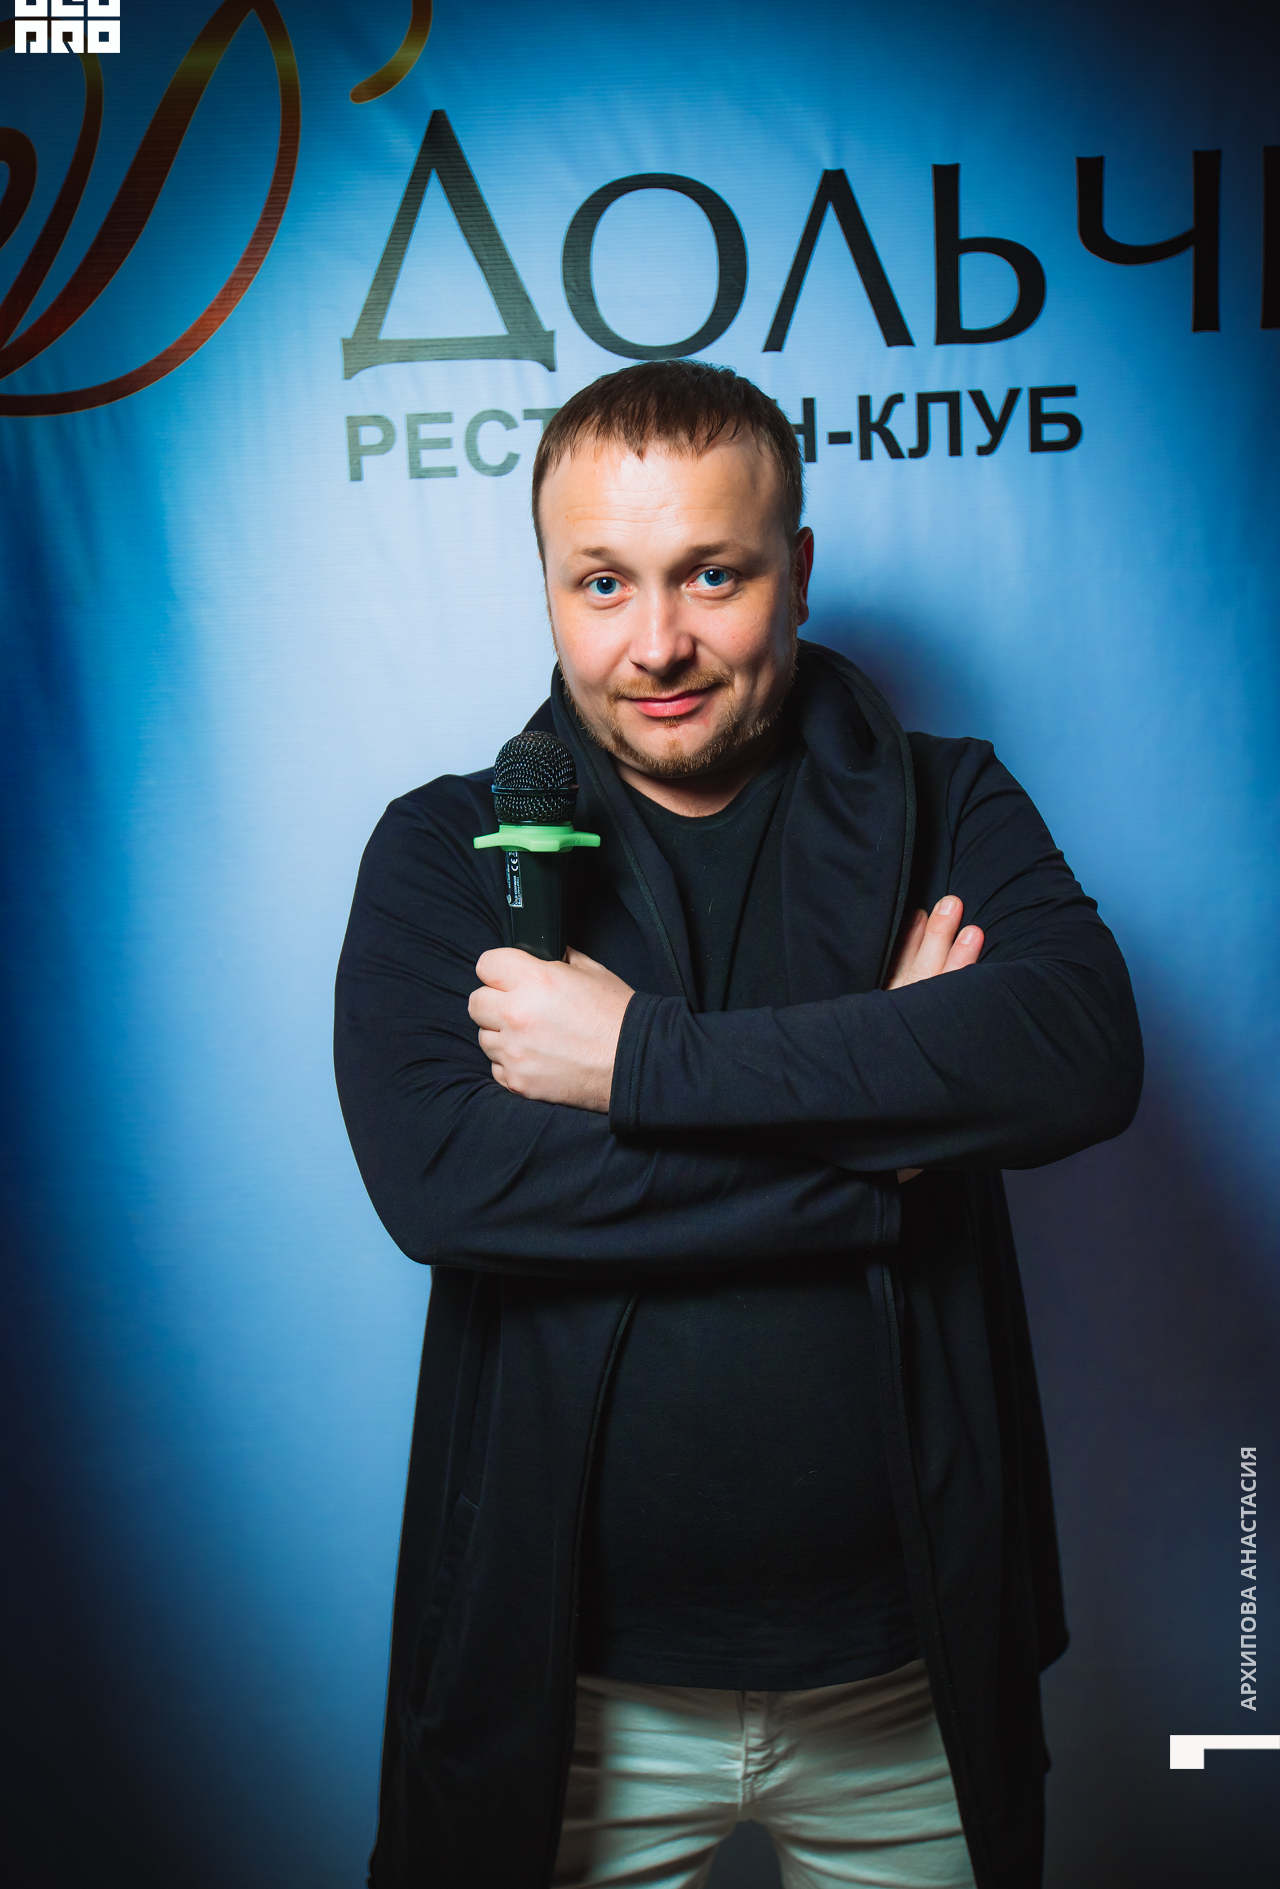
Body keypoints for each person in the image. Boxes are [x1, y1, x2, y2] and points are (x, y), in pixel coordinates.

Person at [334, 361, 1143, 1889]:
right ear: (548, 584)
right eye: (603, 583)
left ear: (799, 569)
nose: (658, 643)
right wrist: (889, 1139)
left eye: (714, 573)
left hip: (911, 1686)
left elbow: (1080, 1058)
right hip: (567, 1697)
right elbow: (448, 1185)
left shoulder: (949, 801)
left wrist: (636, 1060)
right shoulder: (445, 849)